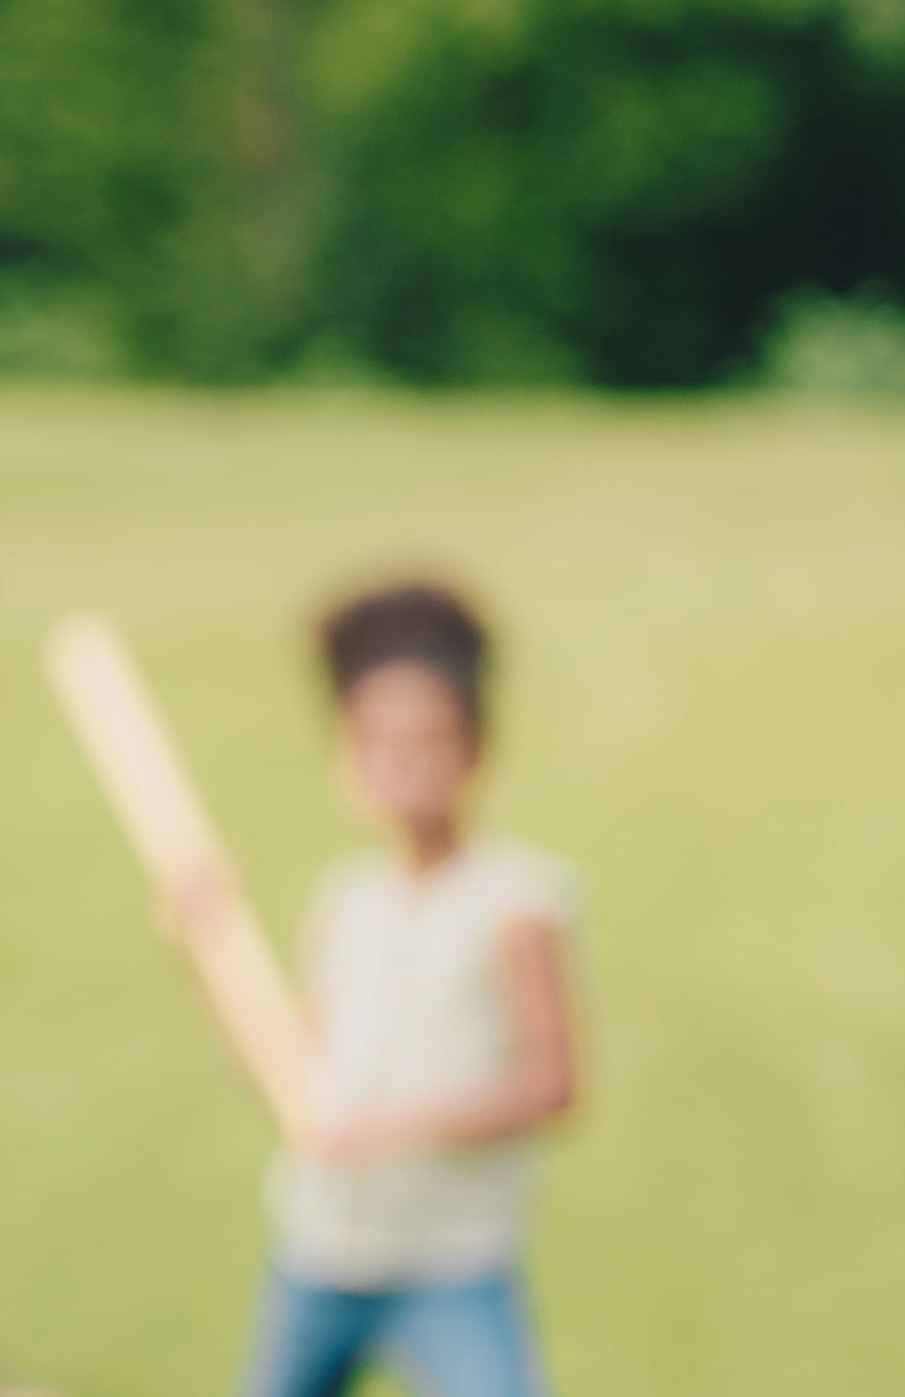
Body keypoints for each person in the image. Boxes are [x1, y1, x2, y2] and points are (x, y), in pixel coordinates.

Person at [229, 582, 580, 1397]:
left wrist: (387, 1130)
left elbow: (552, 1085)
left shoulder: (517, 900)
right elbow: (291, 1073)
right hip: (322, 1255)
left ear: (478, 748)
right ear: (347, 757)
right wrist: (202, 947)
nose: (410, 769)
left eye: (433, 742)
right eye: (382, 745)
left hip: (451, 1263)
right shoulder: (343, 901)